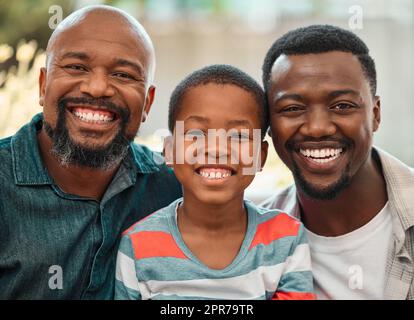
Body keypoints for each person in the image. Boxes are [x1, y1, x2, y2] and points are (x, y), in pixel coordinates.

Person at [0, 5, 181, 299]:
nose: (97, 88)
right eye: (76, 67)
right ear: (43, 85)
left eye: (123, 74)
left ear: (147, 103)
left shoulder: (173, 191)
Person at [114, 64, 315, 300]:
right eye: (196, 134)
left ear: (260, 156)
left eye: (239, 136)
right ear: (169, 150)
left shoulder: (286, 238)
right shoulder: (137, 245)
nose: (217, 149)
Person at [261, 24, 414, 300]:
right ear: (269, 126)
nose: (317, 128)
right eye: (293, 108)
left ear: (375, 114)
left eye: (342, 105)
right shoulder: (250, 239)